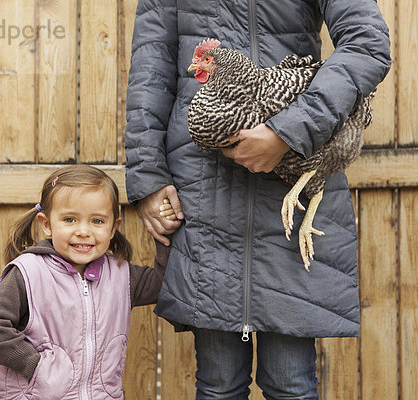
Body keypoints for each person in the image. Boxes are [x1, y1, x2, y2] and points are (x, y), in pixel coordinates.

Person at [125, 1, 391, 398]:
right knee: (218, 385)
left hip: (296, 181)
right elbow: (152, 67)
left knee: (291, 384)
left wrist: (287, 132)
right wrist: (146, 176)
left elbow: (368, 43)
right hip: (204, 188)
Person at [0, 164, 170, 399]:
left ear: (113, 228)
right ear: (46, 224)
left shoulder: (122, 276)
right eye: (70, 219)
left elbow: (164, 284)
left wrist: (164, 232)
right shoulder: (29, 272)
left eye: (97, 221)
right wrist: (36, 366)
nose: (84, 231)